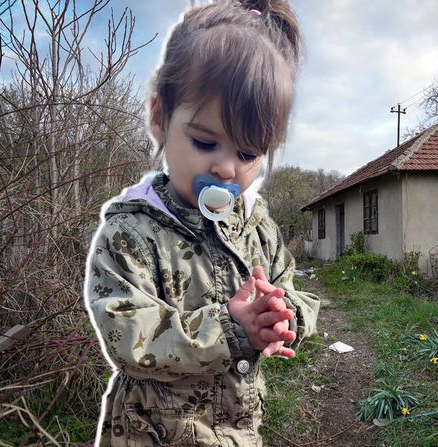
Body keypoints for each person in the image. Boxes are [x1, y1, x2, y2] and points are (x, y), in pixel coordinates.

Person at [83, 1, 319, 445]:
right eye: (205, 142)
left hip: (240, 433)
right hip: (150, 435)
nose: (228, 168)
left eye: (248, 153)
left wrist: (284, 318)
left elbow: (295, 289)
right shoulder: (132, 233)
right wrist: (230, 326)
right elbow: (128, 337)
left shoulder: (256, 225)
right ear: (160, 118)